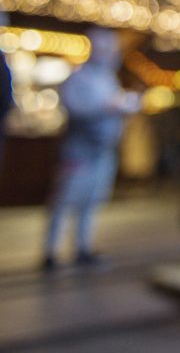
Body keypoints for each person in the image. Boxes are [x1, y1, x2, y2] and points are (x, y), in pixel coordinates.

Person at [44, 27, 137, 269]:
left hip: (103, 151)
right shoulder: (79, 78)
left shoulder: (108, 78)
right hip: (79, 151)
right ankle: (51, 251)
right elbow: (75, 107)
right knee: (65, 200)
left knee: (92, 201)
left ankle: (82, 247)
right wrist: (106, 107)